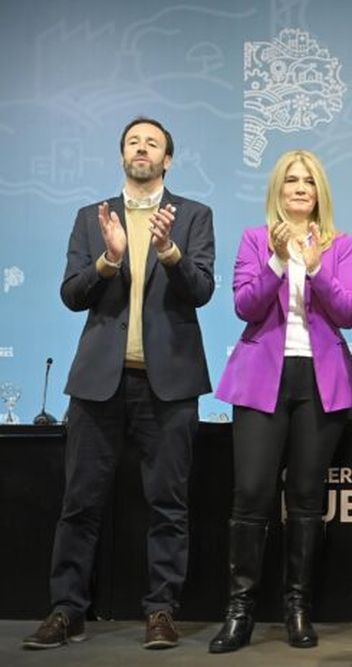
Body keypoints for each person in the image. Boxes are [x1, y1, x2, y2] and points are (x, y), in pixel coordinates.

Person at [22, 117, 215, 650]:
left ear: (167, 160)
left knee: (168, 504)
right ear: (122, 156)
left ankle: (161, 610)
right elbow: (71, 293)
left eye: (153, 143)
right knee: (80, 502)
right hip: (98, 383)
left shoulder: (194, 216)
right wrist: (109, 259)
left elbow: (201, 290)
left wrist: (170, 252)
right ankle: (66, 610)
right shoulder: (92, 218)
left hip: (168, 383)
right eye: (134, 142)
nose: (142, 149)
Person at [210, 149, 352, 652]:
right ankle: (240, 612)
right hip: (262, 379)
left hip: (320, 380)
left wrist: (317, 267)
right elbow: (245, 306)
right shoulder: (256, 240)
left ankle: (298, 608)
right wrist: (279, 260)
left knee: (305, 498)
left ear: (320, 193)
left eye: (309, 182)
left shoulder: (340, 244)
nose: (300, 188)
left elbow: (347, 313)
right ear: (277, 190)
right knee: (251, 493)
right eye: (291, 180)